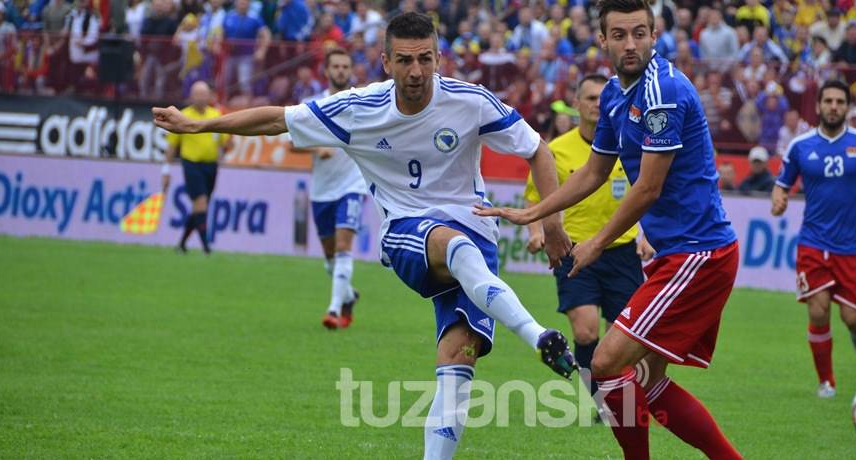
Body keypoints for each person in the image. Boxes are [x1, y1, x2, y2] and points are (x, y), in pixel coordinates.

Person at [153, 13, 577, 460]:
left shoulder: (470, 101)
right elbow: (276, 120)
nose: (416, 71)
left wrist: (552, 225)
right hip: (408, 234)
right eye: (405, 60)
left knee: (457, 363)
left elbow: (537, 150)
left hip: (476, 239)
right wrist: (201, 125)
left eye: (425, 59)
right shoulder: (357, 108)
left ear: (439, 58)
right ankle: (538, 336)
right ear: (385, 63)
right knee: (453, 244)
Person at [479, 1, 742, 458]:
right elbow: (594, 172)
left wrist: (597, 243)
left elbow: (648, 188)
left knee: (603, 363)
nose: (630, 44)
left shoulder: (662, 91)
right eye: (619, 35)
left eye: (639, 33)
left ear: (654, 35)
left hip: (698, 254)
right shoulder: (616, 95)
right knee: (647, 382)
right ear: (602, 40)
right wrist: (537, 212)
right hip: (680, 254)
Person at [522, 74, 656, 399]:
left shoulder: (631, 143)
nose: (598, 104)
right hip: (574, 250)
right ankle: (599, 399)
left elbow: (650, 190)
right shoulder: (556, 150)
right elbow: (534, 196)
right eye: (591, 98)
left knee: (622, 339)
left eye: (602, 98)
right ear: (577, 104)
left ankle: (624, 398)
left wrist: (647, 235)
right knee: (585, 330)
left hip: (622, 251)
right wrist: (537, 230)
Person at [771, 80, 856, 399]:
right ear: (819, 106)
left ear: (848, 107)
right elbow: (782, 183)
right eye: (828, 101)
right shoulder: (801, 146)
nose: (834, 106)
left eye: (840, 101)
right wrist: (778, 200)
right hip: (812, 243)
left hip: (850, 248)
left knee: (853, 319)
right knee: (818, 311)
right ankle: (827, 382)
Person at [297, 49, 366, 330]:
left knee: (342, 248)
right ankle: (348, 295)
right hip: (322, 190)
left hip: (353, 186)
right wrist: (318, 148)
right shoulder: (312, 105)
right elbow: (292, 140)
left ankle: (334, 309)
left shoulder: (361, 105)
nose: (340, 70)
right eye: (335, 66)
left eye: (345, 66)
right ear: (326, 71)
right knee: (329, 258)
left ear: (351, 71)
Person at [161, 81, 229, 254]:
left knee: (200, 206)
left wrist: (229, 145)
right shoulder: (183, 116)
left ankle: (182, 244)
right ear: (191, 96)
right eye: (197, 94)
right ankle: (206, 247)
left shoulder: (216, 114)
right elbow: (171, 147)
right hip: (191, 164)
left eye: (204, 94)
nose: (201, 97)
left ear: (209, 96)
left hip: (211, 166)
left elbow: (226, 142)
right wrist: (166, 170)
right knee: (200, 202)